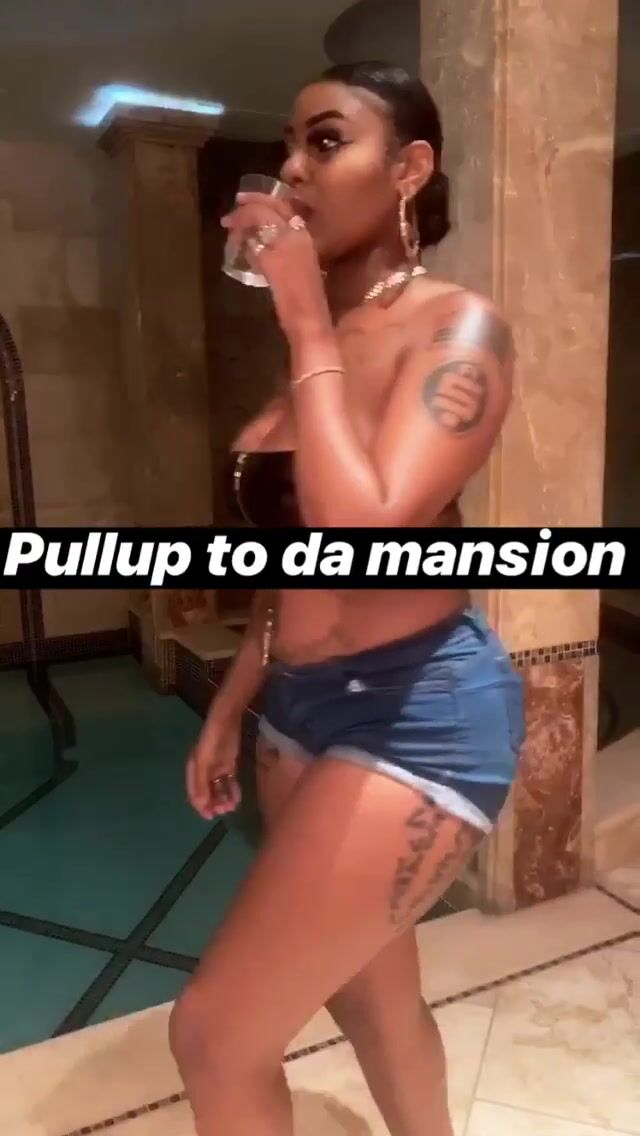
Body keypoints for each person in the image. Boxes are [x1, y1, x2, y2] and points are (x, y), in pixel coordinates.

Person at [170, 60, 526, 1136]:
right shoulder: (315, 352)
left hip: (418, 713)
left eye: (325, 141)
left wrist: (304, 326)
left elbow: (362, 534)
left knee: (214, 1035)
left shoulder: (457, 330)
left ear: (409, 169)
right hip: (298, 710)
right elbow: (289, 568)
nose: (292, 168)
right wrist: (234, 703)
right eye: (289, 145)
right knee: (371, 994)